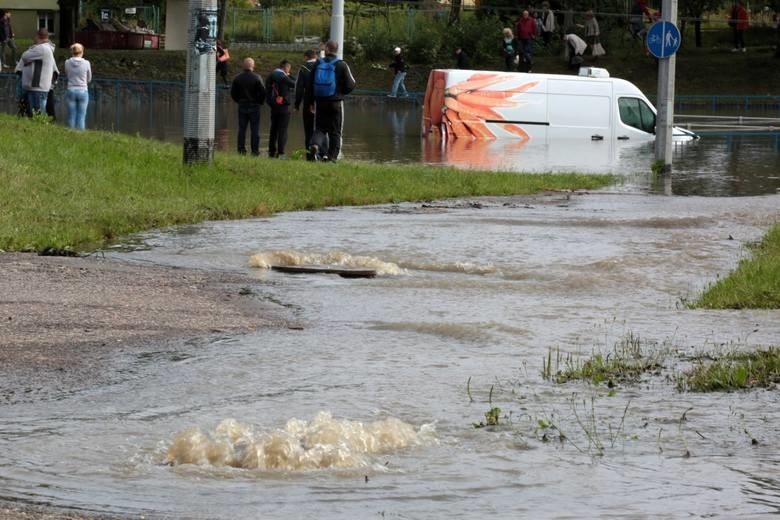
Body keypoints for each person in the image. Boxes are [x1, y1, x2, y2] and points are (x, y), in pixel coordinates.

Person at [305, 39, 356, 162]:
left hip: (320, 102)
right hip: (335, 102)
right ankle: (331, 157)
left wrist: (311, 102)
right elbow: (351, 84)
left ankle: (314, 145)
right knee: (335, 131)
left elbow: (310, 84)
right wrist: (340, 93)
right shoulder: (342, 64)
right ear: (336, 50)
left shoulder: (317, 64)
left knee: (320, 128)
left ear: (327, 49)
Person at [15, 28, 58, 116]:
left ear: (38, 36)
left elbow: (24, 56)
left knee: (37, 114)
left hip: (38, 88)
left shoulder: (41, 49)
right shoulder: (45, 49)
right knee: (35, 114)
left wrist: (31, 52)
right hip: (37, 87)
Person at [229, 57, 265, 156]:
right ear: (253, 66)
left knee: (241, 129)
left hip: (242, 105)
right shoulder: (257, 77)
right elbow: (263, 92)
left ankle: (241, 150)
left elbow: (233, 93)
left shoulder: (237, 78)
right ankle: (255, 151)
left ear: (243, 66)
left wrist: (239, 101)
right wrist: (259, 102)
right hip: (254, 106)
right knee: (255, 130)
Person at [266, 59, 296, 159]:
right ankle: (281, 152)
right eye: (289, 69)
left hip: (273, 106)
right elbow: (294, 84)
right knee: (282, 130)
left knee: (273, 129)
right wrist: (288, 75)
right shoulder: (282, 76)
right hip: (283, 107)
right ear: (286, 67)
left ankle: (271, 151)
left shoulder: (271, 75)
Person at [64, 43, 92, 130]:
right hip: (83, 90)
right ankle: (80, 135)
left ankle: (70, 134)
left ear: (72, 52)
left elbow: (67, 74)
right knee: (81, 115)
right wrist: (84, 82)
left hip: (71, 89)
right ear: (82, 52)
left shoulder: (67, 62)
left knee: (71, 115)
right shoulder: (87, 63)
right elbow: (89, 78)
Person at [294, 48, 318, 150]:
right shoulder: (321, 66)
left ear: (306, 57)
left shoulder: (303, 68)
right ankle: (324, 154)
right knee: (322, 129)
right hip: (323, 102)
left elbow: (299, 88)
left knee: (308, 129)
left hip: (308, 103)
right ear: (315, 56)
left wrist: (297, 105)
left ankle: (309, 154)